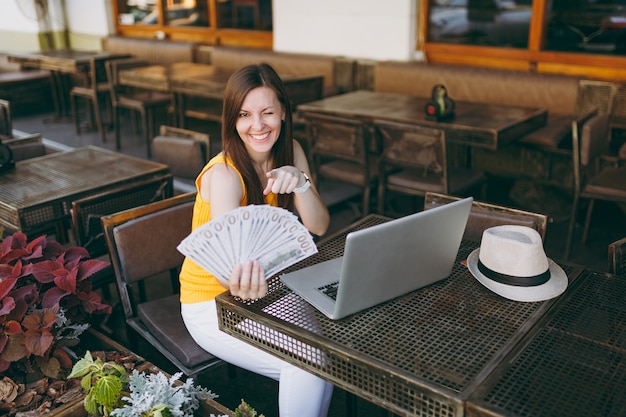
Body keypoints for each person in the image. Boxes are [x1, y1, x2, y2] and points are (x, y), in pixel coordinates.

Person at [179, 63, 333, 417]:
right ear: (233, 120)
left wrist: (302, 183)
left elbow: (320, 224)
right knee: (304, 362)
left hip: (270, 288)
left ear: (283, 112)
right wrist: (245, 286)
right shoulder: (226, 174)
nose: (258, 125)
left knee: (324, 354)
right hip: (212, 303)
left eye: (268, 112)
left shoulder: (290, 150)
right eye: (245, 115)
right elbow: (226, 273)